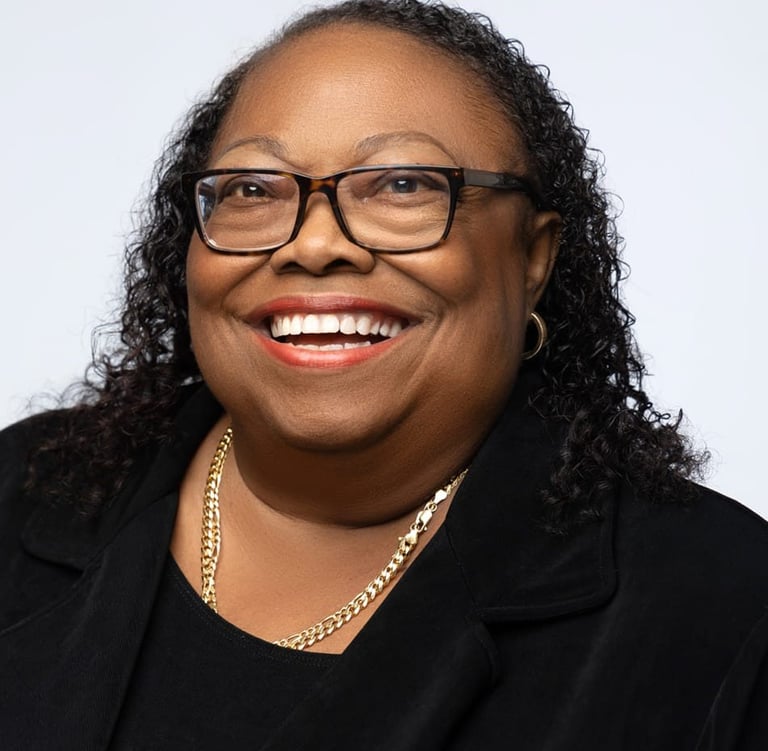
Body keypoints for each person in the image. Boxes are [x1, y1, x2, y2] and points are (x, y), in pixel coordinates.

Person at [1, 0, 766, 748]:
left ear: (533, 257)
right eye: (253, 189)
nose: (313, 245)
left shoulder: (723, 608)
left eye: (403, 184)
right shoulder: (21, 484)